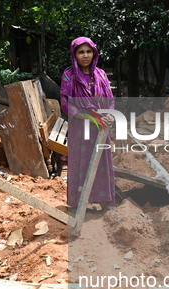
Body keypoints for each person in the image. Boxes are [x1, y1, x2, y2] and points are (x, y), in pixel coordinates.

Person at [60, 37, 116, 211]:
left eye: (89, 51)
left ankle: (104, 201)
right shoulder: (69, 75)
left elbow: (110, 100)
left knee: (102, 162)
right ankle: (77, 203)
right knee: (80, 162)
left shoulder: (101, 74)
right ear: (74, 54)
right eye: (81, 52)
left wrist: (109, 116)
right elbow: (65, 102)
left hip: (101, 127)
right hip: (80, 127)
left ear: (94, 53)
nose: (85, 56)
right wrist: (86, 117)